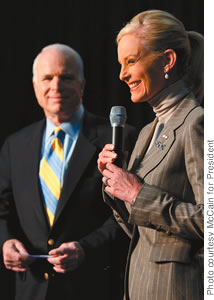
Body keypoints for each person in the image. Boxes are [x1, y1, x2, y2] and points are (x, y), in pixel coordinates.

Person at [0, 43, 137, 300]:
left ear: (82, 85)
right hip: (31, 290)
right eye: (47, 78)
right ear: (35, 86)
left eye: (66, 77)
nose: (56, 86)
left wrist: (86, 249)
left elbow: (129, 214)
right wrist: (5, 242)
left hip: (92, 288)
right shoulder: (14, 145)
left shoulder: (120, 138)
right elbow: (1, 210)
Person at [97, 9, 204, 300]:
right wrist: (115, 184)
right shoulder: (146, 132)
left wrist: (136, 193)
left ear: (167, 60)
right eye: (121, 64)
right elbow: (143, 229)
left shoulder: (197, 122)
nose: (122, 74)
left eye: (131, 61)